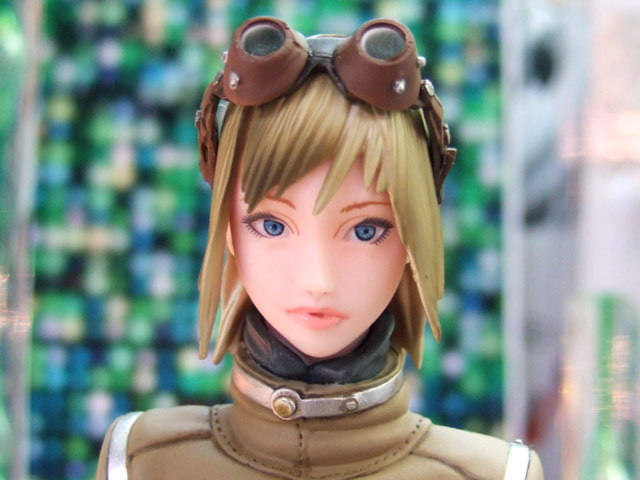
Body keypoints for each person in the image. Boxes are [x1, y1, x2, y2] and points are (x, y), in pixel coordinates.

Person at [97, 17, 543, 479]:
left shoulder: (496, 474)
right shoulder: (142, 460)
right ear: (228, 226)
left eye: (366, 231)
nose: (318, 280)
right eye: (272, 225)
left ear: (414, 235)